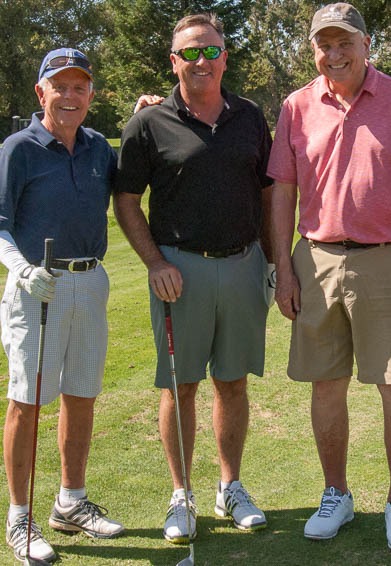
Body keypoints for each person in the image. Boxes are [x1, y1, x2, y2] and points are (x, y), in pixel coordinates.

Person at [267, 2, 391, 551]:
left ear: (367, 45)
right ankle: (336, 494)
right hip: (314, 260)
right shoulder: (296, 106)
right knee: (325, 384)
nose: (333, 54)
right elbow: (283, 191)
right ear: (313, 49)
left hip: (387, 258)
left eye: (344, 43)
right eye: (324, 44)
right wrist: (282, 270)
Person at [114, 12, 273, 543]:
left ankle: (231, 487)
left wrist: (275, 264)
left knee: (231, 382)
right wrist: (155, 263)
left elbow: (270, 193)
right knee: (181, 385)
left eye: (210, 50)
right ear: (174, 61)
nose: (200, 61)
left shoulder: (250, 117)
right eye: (189, 53)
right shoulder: (148, 122)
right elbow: (127, 201)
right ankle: (181, 494)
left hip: (244, 263)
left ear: (224, 56)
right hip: (179, 271)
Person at [0, 48, 125, 563]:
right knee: (28, 400)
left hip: (90, 281)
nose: (70, 96)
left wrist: (146, 116)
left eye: (80, 87)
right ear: (41, 92)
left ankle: (69, 503)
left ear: (91, 94)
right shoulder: (18, 148)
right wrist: (20, 268)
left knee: (81, 394)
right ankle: (19, 517)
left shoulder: (98, 147)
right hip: (36, 286)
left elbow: (137, 185)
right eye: (60, 86)